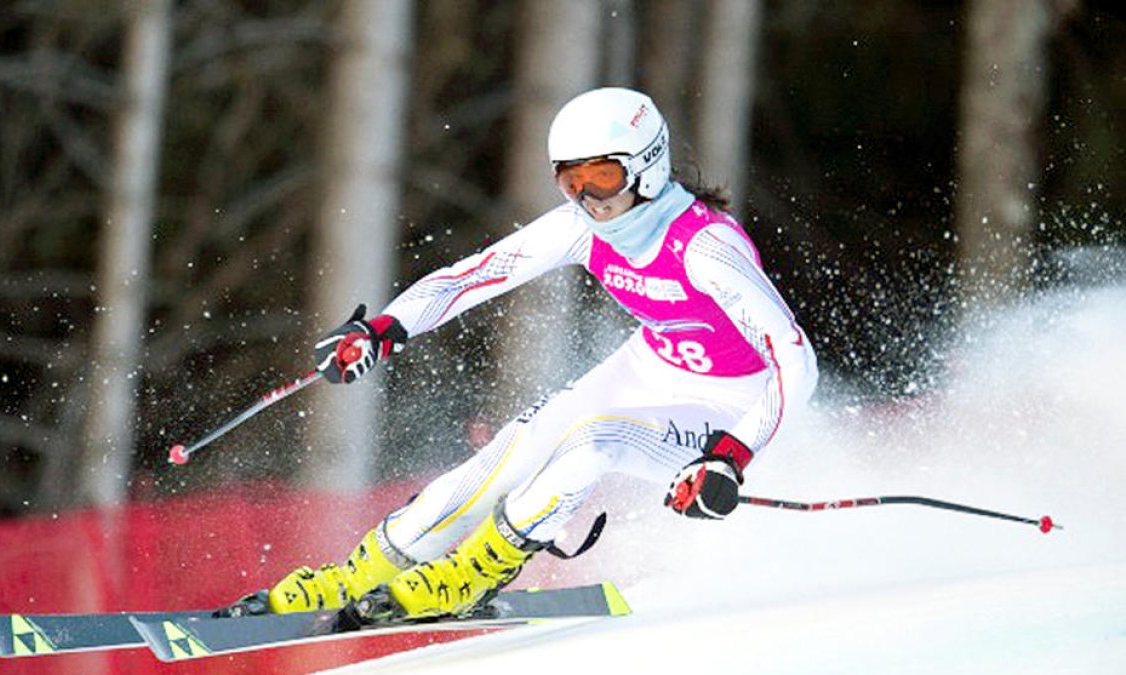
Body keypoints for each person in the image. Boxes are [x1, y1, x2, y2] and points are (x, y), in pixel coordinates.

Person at [225, 87, 818, 622]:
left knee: (593, 441)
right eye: (570, 181)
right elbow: (471, 279)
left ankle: (475, 572)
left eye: (602, 178)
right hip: (650, 368)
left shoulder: (705, 248)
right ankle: (359, 576)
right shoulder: (581, 229)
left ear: (648, 167)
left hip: (733, 404)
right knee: (515, 449)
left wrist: (731, 456)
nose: (588, 198)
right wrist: (384, 330)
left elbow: (796, 362)